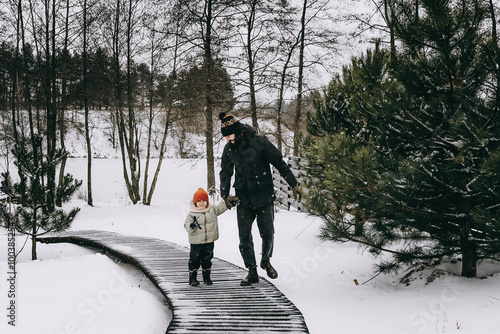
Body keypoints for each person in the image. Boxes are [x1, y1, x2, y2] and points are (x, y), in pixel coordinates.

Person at [218, 112, 303, 286]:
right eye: (225, 137)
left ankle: (266, 260)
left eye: (229, 136)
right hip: (243, 198)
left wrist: (293, 184)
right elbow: (225, 172)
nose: (227, 140)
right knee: (244, 238)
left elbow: (279, 162)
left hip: (264, 196)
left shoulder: (260, 142)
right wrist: (225, 194)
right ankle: (251, 270)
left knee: (268, 234)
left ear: (238, 131)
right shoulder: (229, 149)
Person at [184, 187, 228, 286]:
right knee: (194, 260)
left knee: (207, 259)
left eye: (204, 200)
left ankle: (206, 277)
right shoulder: (192, 213)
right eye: (199, 201)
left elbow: (220, 208)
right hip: (196, 242)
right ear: (195, 202)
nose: (202, 203)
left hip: (209, 241)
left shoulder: (212, 209)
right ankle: (192, 278)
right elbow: (186, 225)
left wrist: (227, 203)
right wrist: (192, 226)